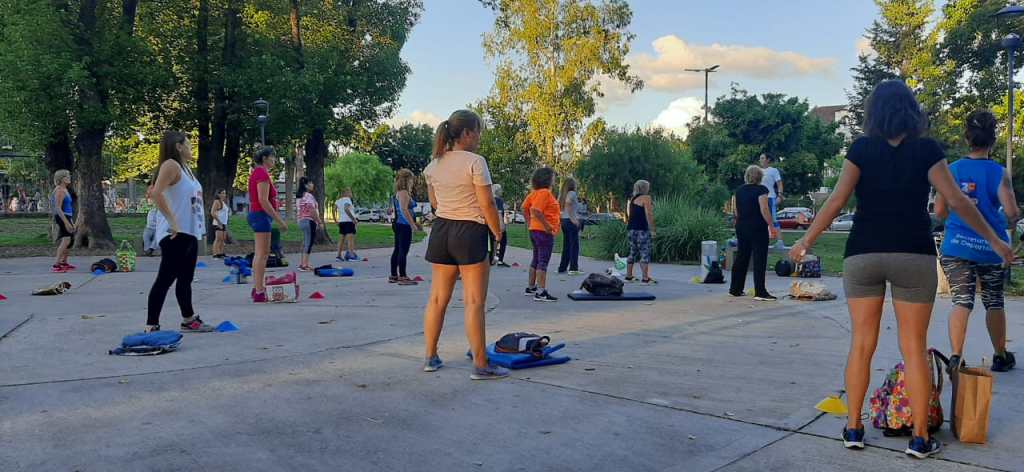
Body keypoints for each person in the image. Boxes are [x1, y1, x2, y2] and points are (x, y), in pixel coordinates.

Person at [790, 80, 1013, 459]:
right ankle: (920, 438)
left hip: (863, 253)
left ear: (872, 112)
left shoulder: (861, 149)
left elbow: (837, 200)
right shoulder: (927, 150)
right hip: (913, 253)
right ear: (912, 111)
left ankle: (853, 428)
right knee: (913, 347)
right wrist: (996, 241)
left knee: (862, 344)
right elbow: (957, 201)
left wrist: (805, 241)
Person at [421, 109, 507, 380]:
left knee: (437, 299)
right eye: (478, 132)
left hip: (442, 231)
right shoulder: (475, 162)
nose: (479, 138)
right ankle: (481, 365)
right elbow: (487, 203)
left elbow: (435, 203)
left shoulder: (433, 165)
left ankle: (430, 357)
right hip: (469, 231)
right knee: (474, 301)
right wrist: (497, 231)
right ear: (467, 133)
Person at [935, 110, 1018, 373]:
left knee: (962, 300)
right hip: (990, 249)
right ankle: (1000, 355)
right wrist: (1007, 218)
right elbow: (1012, 212)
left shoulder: (951, 170)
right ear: (993, 140)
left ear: (967, 138)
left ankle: (956, 357)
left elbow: (939, 211)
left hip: (956, 247)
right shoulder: (999, 172)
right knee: (994, 300)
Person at [145, 131, 214, 333]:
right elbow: (156, 193)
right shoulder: (171, 165)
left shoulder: (186, 169)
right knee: (165, 279)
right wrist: (172, 221)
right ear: (178, 146)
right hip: (175, 233)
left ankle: (188, 319)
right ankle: (151, 325)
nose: (192, 148)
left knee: (185, 279)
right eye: (189, 144)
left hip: (189, 231)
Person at [729, 166, 777, 301]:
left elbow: (736, 211)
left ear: (747, 176)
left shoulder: (739, 190)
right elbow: (764, 209)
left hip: (741, 226)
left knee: (742, 256)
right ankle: (760, 291)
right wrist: (771, 226)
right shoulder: (761, 190)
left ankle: (735, 289)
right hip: (757, 227)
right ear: (760, 177)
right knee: (759, 258)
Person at [247, 146, 288, 303]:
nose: (274, 160)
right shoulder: (261, 173)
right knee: (262, 254)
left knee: (260, 254)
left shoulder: (258, 172)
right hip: (261, 215)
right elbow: (263, 200)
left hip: (258, 215)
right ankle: (259, 291)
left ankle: (257, 288)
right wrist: (279, 221)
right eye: (272, 157)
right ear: (264, 158)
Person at [522, 167, 560, 302]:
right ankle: (541, 291)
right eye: (553, 178)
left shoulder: (534, 193)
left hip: (535, 230)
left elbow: (524, 207)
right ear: (548, 179)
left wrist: (530, 223)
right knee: (543, 260)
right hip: (544, 232)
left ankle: (531, 287)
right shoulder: (545, 193)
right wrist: (547, 226)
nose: (554, 180)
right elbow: (536, 210)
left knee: (536, 259)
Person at [390, 169, 422, 284]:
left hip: (398, 224)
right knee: (403, 250)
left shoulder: (398, 193)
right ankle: (402, 276)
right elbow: (404, 209)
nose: (412, 182)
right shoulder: (403, 192)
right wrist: (412, 225)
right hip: (403, 224)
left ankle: (394, 275)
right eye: (411, 179)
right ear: (407, 180)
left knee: (398, 249)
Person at [625, 180, 656, 284]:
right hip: (642, 229)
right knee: (644, 252)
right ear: (645, 188)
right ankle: (645, 279)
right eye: (648, 187)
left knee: (632, 252)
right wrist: (652, 229)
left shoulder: (632, 198)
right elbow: (649, 213)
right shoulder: (646, 198)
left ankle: (629, 276)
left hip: (631, 229)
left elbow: (629, 214)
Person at [296, 177, 323, 272]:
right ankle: (304, 265)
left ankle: (303, 263)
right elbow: (312, 210)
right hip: (309, 221)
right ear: (306, 185)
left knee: (305, 242)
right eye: (311, 183)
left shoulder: (300, 196)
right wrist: (319, 222)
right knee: (309, 242)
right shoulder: (308, 196)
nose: (312, 185)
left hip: (301, 221)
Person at [51, 169, 75, 272]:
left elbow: (68, 208)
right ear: (61, 179)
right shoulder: (59, 190)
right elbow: (58, 208)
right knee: (66, 240)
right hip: (62, 216)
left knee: (70, 240)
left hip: (67, 216)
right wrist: (66, 222)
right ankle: (56, 264)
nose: (69, 178)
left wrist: (71, 222)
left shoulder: (65, 189)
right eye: (67, 176)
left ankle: (64, 262)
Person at [557, 177, 582, 275]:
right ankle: (573, 268)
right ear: (572, 185)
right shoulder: (572, 193)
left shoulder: (562, 195)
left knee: (566, 245)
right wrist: (573, 219)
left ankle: (562, 267)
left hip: (564, 220)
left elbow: (561, 205)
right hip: (570, 221)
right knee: (574, 245)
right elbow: (568, 203)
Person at [759, 154, 784, 247]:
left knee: (773, 219)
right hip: (759, 198)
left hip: (770, 197)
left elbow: (779, 184)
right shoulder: (758, 171)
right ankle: (762, 241)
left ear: (768, 160)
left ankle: (780, 241)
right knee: (761, 220)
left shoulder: (773, 170)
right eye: (760, 158)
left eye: (762, 158)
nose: (760, 160)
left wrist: (780, 196)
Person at [335, 188, 358, 262]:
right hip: (348, 221)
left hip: (341, 221)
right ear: (346, 193)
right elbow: (346, 209)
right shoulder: (347, 199)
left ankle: (338, 256)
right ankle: (351, 256)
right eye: (350, 192)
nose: (351, 194)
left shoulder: (338, 200)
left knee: (341, 239)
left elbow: (333, 210)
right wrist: (353, 219)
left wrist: (336, 220)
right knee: (350, 239)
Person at [490, 184, 510, 267]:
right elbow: (499, 213)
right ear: (497, 191)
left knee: (494, 242)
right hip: (498, 225)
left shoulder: (491, 199)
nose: (502, 191)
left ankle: (492, 259)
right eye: (501, 189)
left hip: (491, 224)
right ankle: (499, 260)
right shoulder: (498, 200)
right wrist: (502, 226)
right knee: (502, 242)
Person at [210, 189, 231, 258]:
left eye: (224, 193)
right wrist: (219, 222)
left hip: (224, 223)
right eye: (222, 193)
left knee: (223, 239)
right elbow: (212, 212)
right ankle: (215, 254)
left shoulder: (223, 202)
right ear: (218, 194)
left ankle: (221, 253)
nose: (224, 195)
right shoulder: (217, 201)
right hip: (218, 223)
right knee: (218, 239)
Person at [143, 183, 162, 257]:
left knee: (157, 237)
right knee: (145, 236)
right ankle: (147, 250)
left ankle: (151, 249)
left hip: (158, 227)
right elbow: (148, 201)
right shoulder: (150, 199)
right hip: (149, 227)